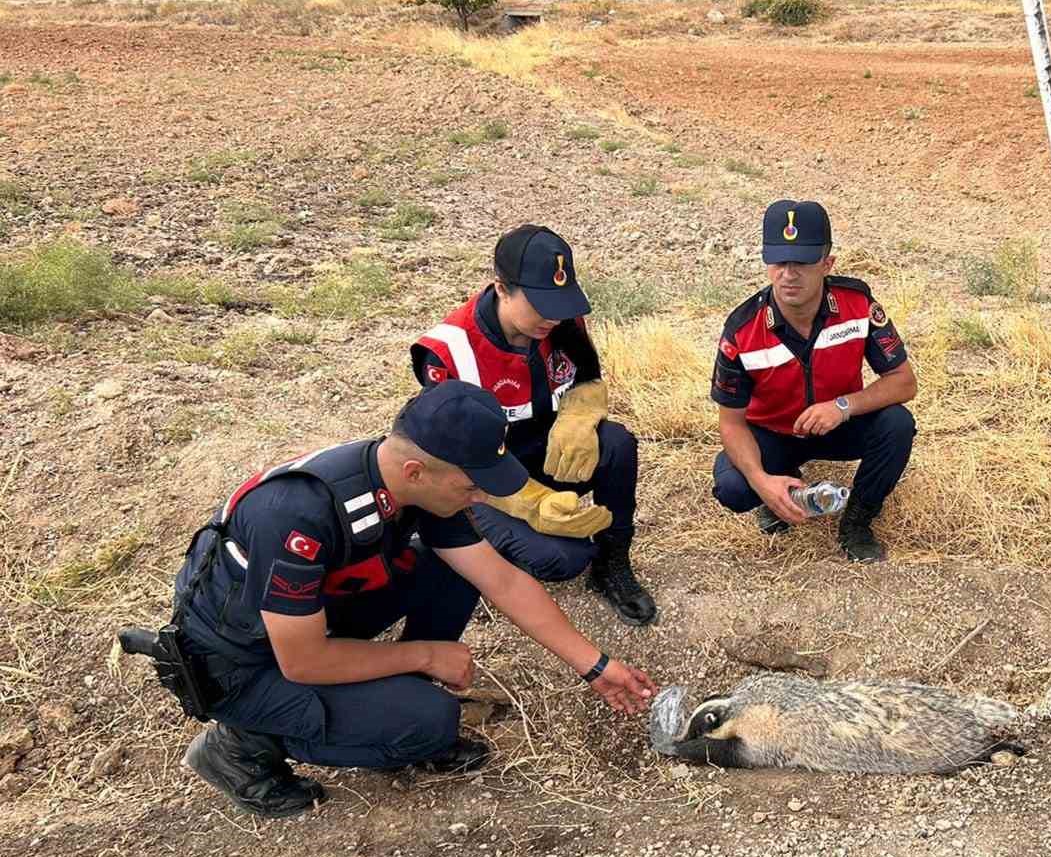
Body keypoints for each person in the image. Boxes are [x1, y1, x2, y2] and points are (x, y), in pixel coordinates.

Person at [169, 381, 656, 818]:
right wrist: (425, 654)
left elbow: (501, 580)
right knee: (431, 723)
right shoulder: (297, 513)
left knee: (450, 569)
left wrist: (597, 667)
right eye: (472, 486)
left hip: (309, 620)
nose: (480, 498)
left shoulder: (420, 487)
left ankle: (394, 698)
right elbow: (302, 659)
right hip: (245, 663)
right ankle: (242, 744)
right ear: (415, 470)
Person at [412, 225, 656, 627]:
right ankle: (469, 552)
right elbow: (455, 463)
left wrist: (579, 417)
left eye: (560, 302)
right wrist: (531, 502)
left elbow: (587, 378)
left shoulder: (560, 321)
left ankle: (613, 564)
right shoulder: (448, 353)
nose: (553, 316)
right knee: (562, 559)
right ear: (501, 289)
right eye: (541, 302)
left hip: (539, 455)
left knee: (616, 443)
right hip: (482, 483)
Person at [709, 200, 918, 563]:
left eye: (802, 262)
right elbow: (731, 423)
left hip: (837, 425)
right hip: (772, 433)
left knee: (897, 424)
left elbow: (903, 382)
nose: (789, 274)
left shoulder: (857, 304)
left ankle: (857, 521)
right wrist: (762, 481)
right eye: (778, 261)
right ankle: (781, 488)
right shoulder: (741, 330)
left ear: (827, 263)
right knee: (734, 487)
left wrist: (842, 406)